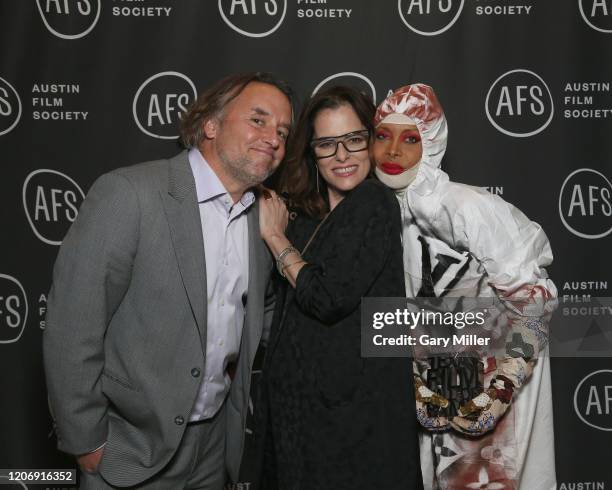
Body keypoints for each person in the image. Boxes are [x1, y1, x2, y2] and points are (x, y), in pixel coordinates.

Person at [43, 72, 293, 489]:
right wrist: (87, 441)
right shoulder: (130, 193)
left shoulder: (261, 219)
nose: (274, 138)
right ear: (211, 124)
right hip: (128, 448)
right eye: (258, 120)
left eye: (283, 131)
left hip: (213, 448)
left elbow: (258, 319)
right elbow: (73, 325)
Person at [371, 84, 557, 489]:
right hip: (435, 398)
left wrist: (502, 387)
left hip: (494, 395)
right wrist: (419, 381)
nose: (392, 152)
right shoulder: (378, 217)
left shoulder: (470, 209)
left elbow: (533, 299)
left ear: (432, 143)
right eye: (382, 136)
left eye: (411, 138)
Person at [256, 86, 423, 490]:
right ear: (311, 152)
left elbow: (327, 298)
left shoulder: (374, 204)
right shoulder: (306, 216)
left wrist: (276, 240)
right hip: (298, 421)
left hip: (354, 426)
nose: (343, 156)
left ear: (371, 140)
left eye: (353, 140)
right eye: (327, 144)